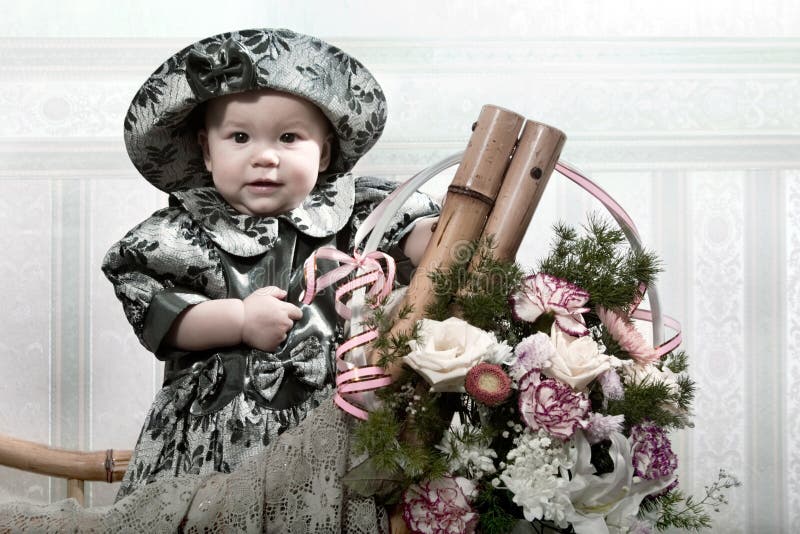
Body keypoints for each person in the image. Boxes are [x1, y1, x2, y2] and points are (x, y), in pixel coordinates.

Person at [102, 27, 438, 503]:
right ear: (205, 148)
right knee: (211, 511)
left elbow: (409, 235)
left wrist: (431, 240)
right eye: (239, 136)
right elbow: (162, 318)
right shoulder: (184, 232)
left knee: (330, 508)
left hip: (334, 421)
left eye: (288, 137)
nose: (264, 156)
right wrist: (238, 320)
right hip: (218, 432)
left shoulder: (353, 213)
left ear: (322, 153)